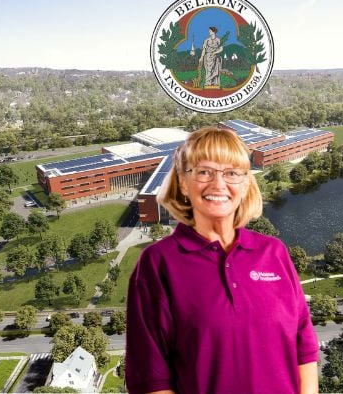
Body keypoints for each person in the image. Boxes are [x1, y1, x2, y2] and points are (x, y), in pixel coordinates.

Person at [126, 126, 319, 394]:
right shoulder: (158, 264)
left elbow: (305, 349)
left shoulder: (274, 252)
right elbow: (150, 379)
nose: (219, 185)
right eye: (204, 172)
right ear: (183, 181)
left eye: (231, 173)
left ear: (244, 183)